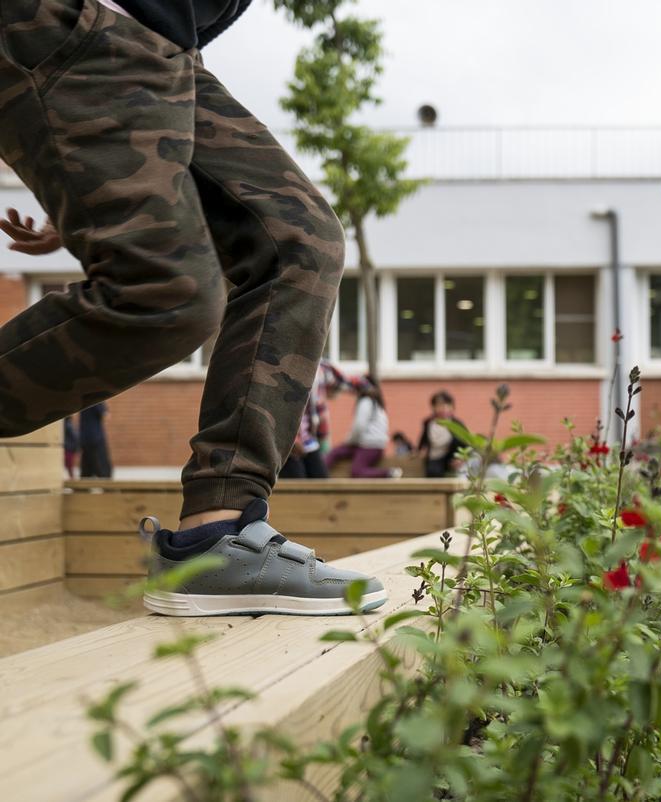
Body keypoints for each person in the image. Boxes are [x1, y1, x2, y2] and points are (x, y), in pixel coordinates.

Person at [0, 1, 385, 616]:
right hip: (85, 24)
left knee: (300, 242)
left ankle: (218, 535)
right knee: (169, 295)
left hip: (166, 47)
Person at [325, 376, 393, 479]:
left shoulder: (366, 401)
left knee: (356, 471)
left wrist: (348, 441)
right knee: (335, 452)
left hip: (369, 445)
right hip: (369, 445)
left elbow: (359, 427)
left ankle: (389, 473)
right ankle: (320, 475)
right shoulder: (377, 404)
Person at [419, 390, 466, 478]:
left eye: (447, 405)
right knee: (433, 472)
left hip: (451, 459)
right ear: (433, 407)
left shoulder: (456, 424)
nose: (444, 408)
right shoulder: (429, 423)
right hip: (434, 459)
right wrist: (419, 450)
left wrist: (461, 458)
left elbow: (466, 443)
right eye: (439, 405)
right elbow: (423, 439)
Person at [79, 402, 113, 478]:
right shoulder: (97, 399)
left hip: (84, 437)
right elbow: (106, 415)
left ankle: (83, 487)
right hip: (95, 437)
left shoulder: (85, 398)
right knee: (103, 468)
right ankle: (107, 487)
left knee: (86, 468)